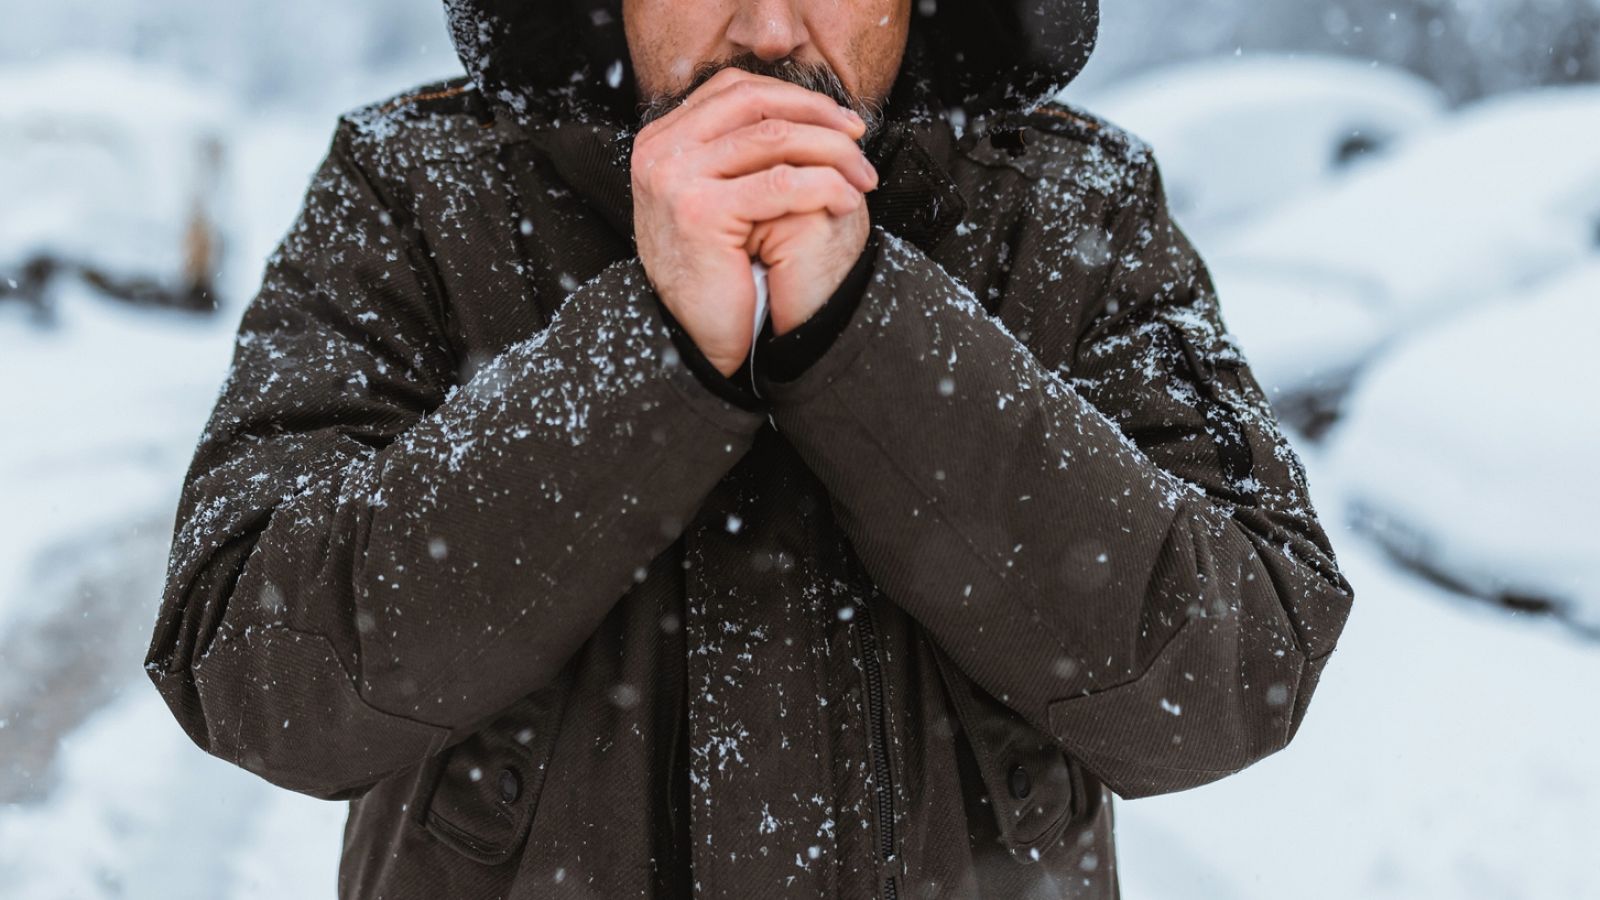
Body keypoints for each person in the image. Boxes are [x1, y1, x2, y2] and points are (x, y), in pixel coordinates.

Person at [143, 0, 1356, 896]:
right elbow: (253, 675)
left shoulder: (1074, 208)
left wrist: (864, 324)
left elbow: (1234, 675)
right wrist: (646, 350)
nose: (770, 30)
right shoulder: (419, 190)